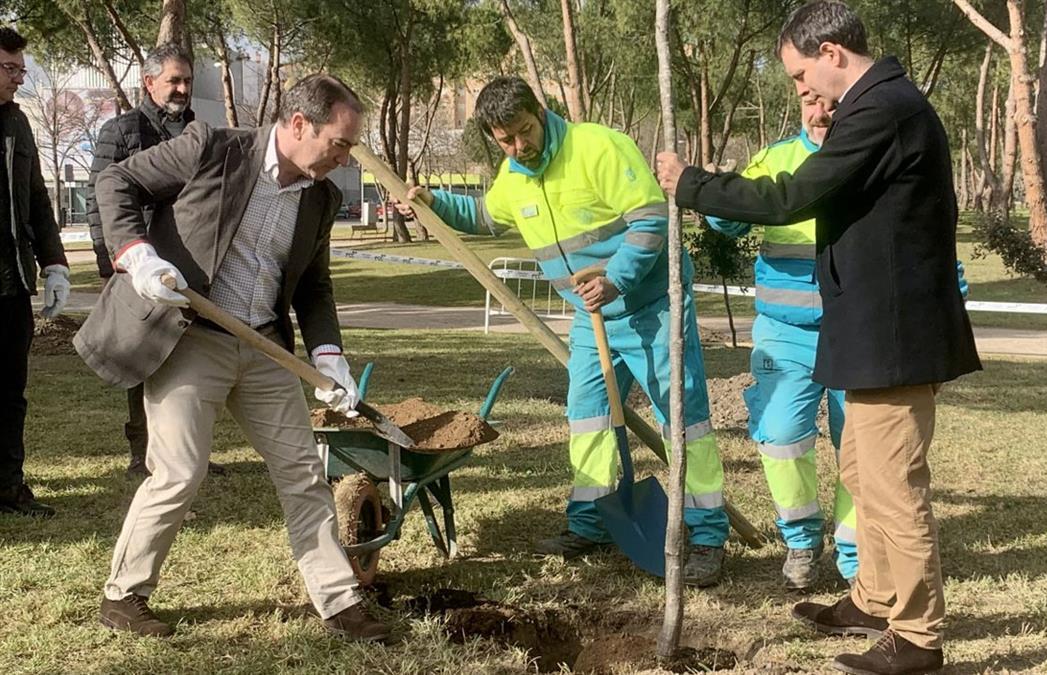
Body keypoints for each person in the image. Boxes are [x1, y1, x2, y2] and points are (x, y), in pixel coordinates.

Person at [656, 2, 981, 673]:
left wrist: (691, 185)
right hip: (869, 330)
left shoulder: (883, 108)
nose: (803, 92)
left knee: (894, 486)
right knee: (863, 471)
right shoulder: (873, 111)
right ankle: (873, 597)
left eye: (803, 76)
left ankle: (918, 637)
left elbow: (789, 198)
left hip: (894, 335)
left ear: (832, 52)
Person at [74, 74, 389, 642]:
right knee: (179, 473)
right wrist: (135, 254)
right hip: (190, 337)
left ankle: (340, 602)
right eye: (340, 142)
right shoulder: (211, 149)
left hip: (264, 346)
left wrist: (329, 354)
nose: (346, 156)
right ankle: (124, 596)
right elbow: (117, 181)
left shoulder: (322, 197)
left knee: (301, 472)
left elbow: (313, 285)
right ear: (298, 125)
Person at [398, 76, 730, 587]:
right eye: (505, 139)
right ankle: (592, 522)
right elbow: (484, 216)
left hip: (653, 305)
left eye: (524, 132)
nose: (518, 147)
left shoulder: (597, 147)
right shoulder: (514, 175)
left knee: (683, 417)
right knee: (588, 419)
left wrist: (614, 280)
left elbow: (651, 220)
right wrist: (433, 201)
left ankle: (705, 535)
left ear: (542, 110)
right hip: (589, 319)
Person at [704, 96, 857, 591]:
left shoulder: (872, 157)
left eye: (831, 102)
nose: (821, 112)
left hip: (858, 329)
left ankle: (855, 552)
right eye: (810, 101)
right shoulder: (774, 160)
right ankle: (801, 540)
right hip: (784, 332)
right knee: (780, 437)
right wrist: (719, 197)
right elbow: (730, 218)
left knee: (860, 446)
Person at [85, 43, 224, 478]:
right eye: (173, 81)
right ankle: (141, 454)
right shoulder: (121, 131)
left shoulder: (200, 133)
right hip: (138, 264)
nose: (182, 89)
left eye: (186, 81)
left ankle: (189, 450)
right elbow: (98, 200)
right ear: (149, 83)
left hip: (189, 267)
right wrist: (116, 265)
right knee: (141, 359)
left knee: (190, 362)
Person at [0, 26, 70, 518]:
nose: (18, 79)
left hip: (11, 282)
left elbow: (39, 201)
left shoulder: (19, 125)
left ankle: (8, 487)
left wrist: (55, 264)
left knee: (10, 392)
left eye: (21, 70)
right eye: (9, 69)